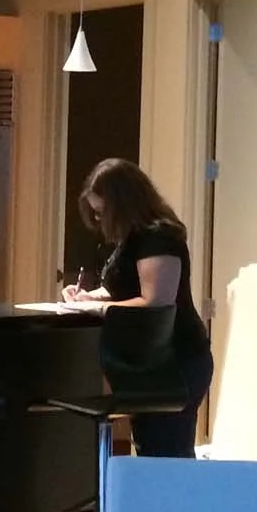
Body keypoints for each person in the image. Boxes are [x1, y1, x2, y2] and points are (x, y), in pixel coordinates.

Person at [60, 158, 213, 458]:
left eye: (103, 212)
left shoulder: (159, 237)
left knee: (166, 453)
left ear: (122, 204)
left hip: (176, 361)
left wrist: (100, 309)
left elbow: (156, 300)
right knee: (154, 449)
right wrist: (89, 298)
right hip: (151, 363)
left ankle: (171, 505)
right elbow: (124, 290)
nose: (100, 219)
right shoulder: (131, 240)